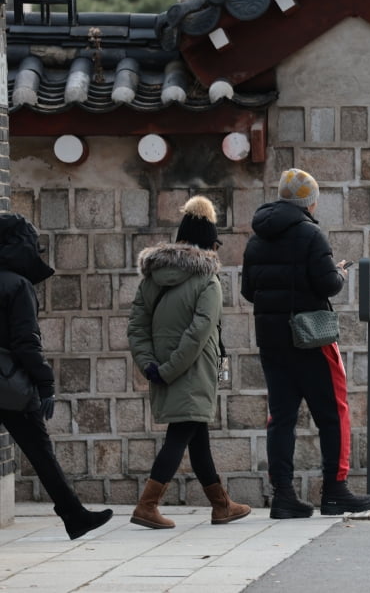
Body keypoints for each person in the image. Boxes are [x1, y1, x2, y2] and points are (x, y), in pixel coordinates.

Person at [241, 169, 370, 518]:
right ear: (309, 201)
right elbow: (328, 284)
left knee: (281, 417)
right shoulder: (310, 234)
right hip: (310, 337)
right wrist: (341, 273)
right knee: (333, 412)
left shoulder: (256, 239)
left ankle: (283, 495)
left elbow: (246, 291)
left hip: (271, 340)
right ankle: (335, 490)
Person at [127, 196, 251, 529]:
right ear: (210, 245)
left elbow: (136, 327)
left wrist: (151, 365)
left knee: (197, 438)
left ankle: (221, 505)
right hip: (193, 373)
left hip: (166, 371)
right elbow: (199, 334)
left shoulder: (152, 278)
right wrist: (168, 371)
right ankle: (147, 506)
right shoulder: (208, 281)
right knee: (180, 435)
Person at [0, 214, 113, 540]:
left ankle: (74, 514)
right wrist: (45, 382)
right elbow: (26, 342)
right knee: (40, 452)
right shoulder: (17, 286)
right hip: (12, 385)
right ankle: (73, 515)